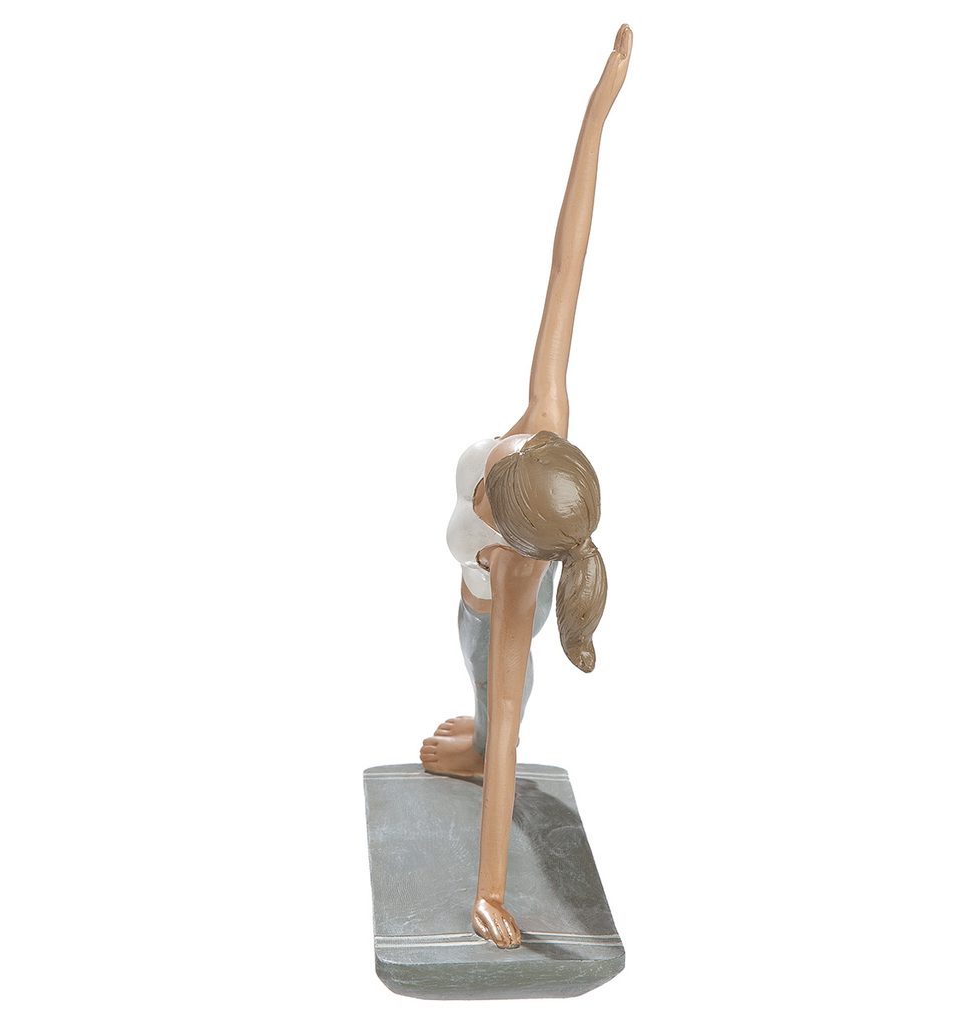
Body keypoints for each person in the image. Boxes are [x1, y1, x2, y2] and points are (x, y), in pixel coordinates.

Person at [419, 24, 632, 950]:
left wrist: (491, 893)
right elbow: (567, 263)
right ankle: (465, 742)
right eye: (501, 470)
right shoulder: (545, 415)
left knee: (494, 689)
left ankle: (458, 756)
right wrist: (596, 114)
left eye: (490, 501)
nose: (483, 489)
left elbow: (509, 735)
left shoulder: (510, 583)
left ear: (509, 533)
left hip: (484, 619)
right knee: (487, 695)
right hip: (495, 591)